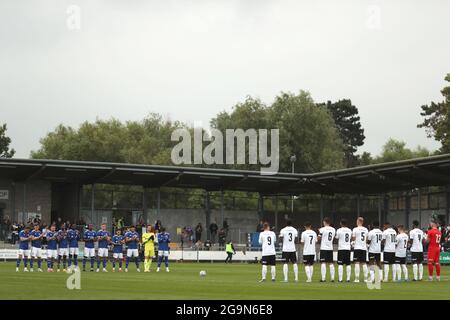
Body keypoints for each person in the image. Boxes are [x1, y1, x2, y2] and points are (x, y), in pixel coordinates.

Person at [318, 217, 336, 282]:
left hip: (323, 248)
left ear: (325, 222)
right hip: (330, 248)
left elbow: (318, 239)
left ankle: (323, 278)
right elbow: (333, 238)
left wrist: (319, 232)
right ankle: (332, 278)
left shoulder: (322, 229)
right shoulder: (333, 229)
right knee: (331, 263)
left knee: (323, 263)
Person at [352, 217, 369, 283]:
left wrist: (353, 241)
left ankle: (357, 279)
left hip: (357, 248)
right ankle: (365, 279)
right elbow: (367, 239)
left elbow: (353, 238)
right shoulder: (366, 229)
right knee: (364, 263)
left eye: (357, 221)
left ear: (359, 221)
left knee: (357, 263)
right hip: (364, 248)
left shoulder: (355, 229)